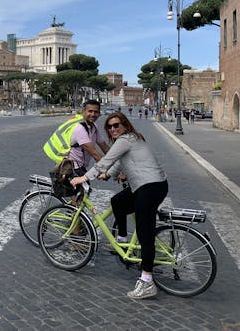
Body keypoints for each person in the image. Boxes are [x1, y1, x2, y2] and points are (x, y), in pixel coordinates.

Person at [71, 111, 168, 300]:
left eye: (117, 125)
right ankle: (122, 240)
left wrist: (84, 177)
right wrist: (107, 175)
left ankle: (147, 281)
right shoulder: (130, 140)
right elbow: (119, 163)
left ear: (125, 125)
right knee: (118, 202)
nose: (113, 129)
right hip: (148, 185)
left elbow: (107, 161)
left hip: (149, 188)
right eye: (109, 126)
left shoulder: (126, 139)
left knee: (144, 233)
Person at [68, 100, 110, 178]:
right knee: (84, 188)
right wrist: (112, 170)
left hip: (80, 167)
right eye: (90, 111)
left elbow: (104, 147)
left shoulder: (93, 126)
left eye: (96, 112)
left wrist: (118, 161)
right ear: (83, 111)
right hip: (72, 168)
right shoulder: (79, 128)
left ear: (99, 114)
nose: (93, 114)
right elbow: (94, 154)